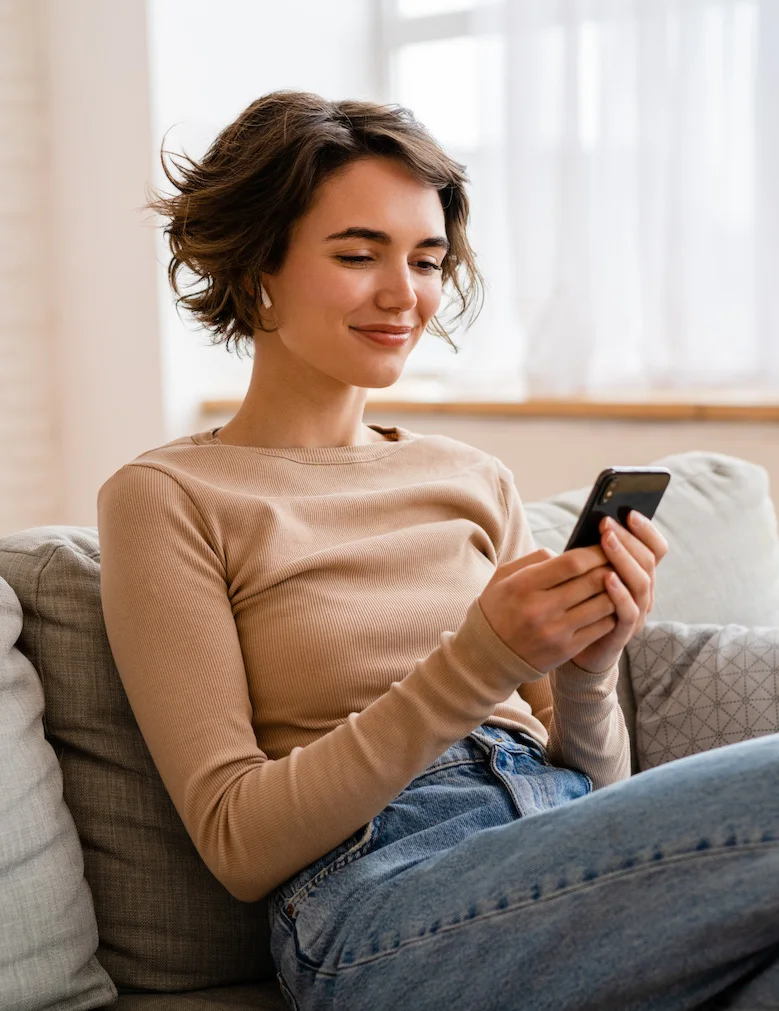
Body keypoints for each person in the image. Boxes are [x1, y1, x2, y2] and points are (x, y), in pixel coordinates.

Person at [97, 90, 779, 1011]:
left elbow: (591, 777)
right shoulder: (168, 497)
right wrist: (475, 660)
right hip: (375, 904)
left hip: (558, 843)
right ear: (258, 263)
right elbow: (236, 841)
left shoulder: (473, 477)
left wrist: (587, 668)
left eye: (425, 259)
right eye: (356, 254)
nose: (404, 295)